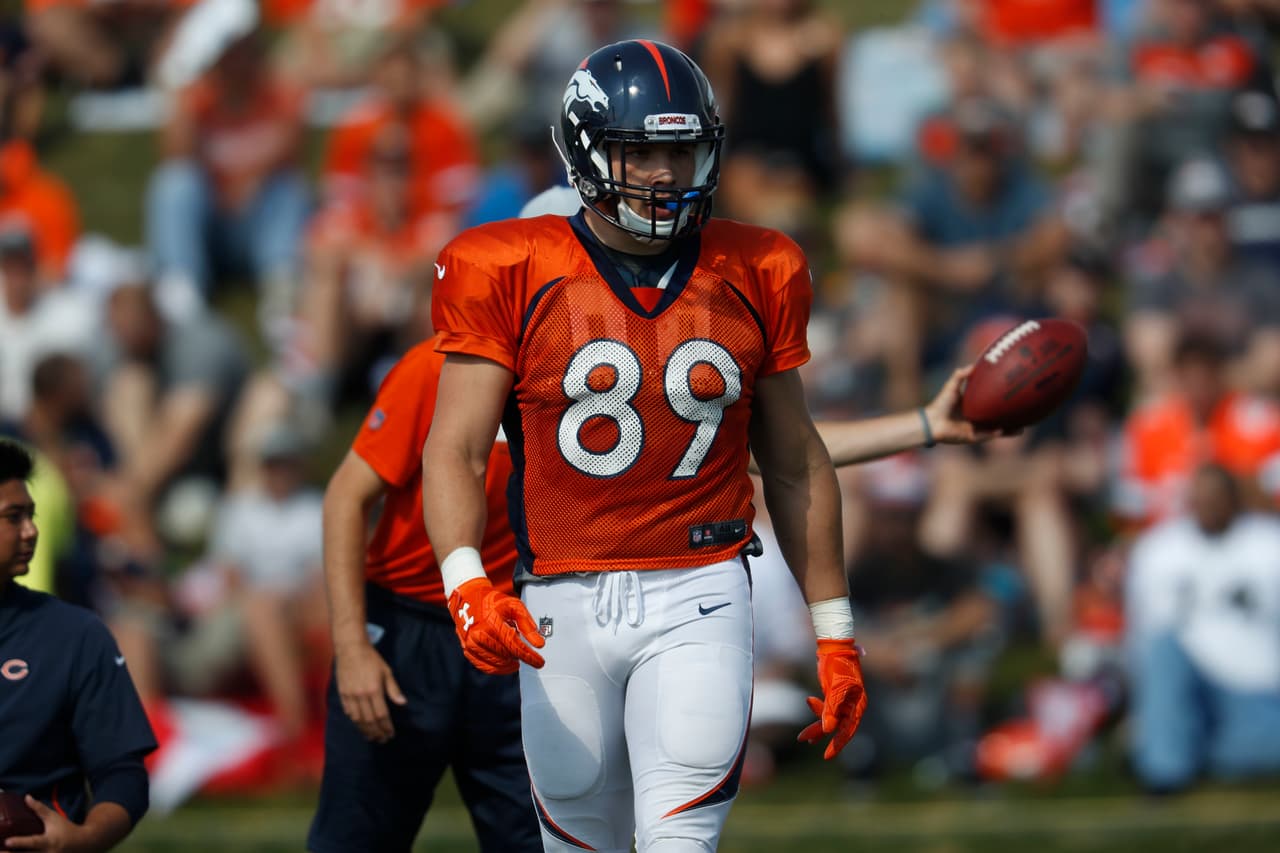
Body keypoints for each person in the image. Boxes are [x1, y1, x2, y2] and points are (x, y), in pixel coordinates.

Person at [422, 39, 995, 851]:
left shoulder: (758, 266)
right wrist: (465, 583)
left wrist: (834, 629)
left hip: (697, 591)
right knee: (576, 839)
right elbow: (454, 450)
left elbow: (793, 461)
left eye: (679, 149)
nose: (662, 172)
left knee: (679, 841)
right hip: (558, 598)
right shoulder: (507, 264)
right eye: (640, 151)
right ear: (587, 152)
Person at [306, 336, 540, 853]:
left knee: (544, 839)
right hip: (408, 628)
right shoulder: (436, 366)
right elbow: (346, 496)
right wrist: (352, 649)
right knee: (357, 838)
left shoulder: (582, 356)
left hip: (518, 629)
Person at [0, 438, 156, 851]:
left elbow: (124, 773)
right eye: (13, 517)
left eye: (31, 516)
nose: (31, 531)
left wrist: (82, 839)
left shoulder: (75, 635)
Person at [1126, 463, 1280, 793]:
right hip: (1191, 687)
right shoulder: (1158, 550)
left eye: (1217, 496)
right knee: (1163, 647)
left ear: (1234, 498)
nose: (1209, 505)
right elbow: (1143, 638)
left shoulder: (1269, 544)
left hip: (1256, 690)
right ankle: (1163, 776)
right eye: (1201, 496)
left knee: (1252, 747)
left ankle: (1200, 754)